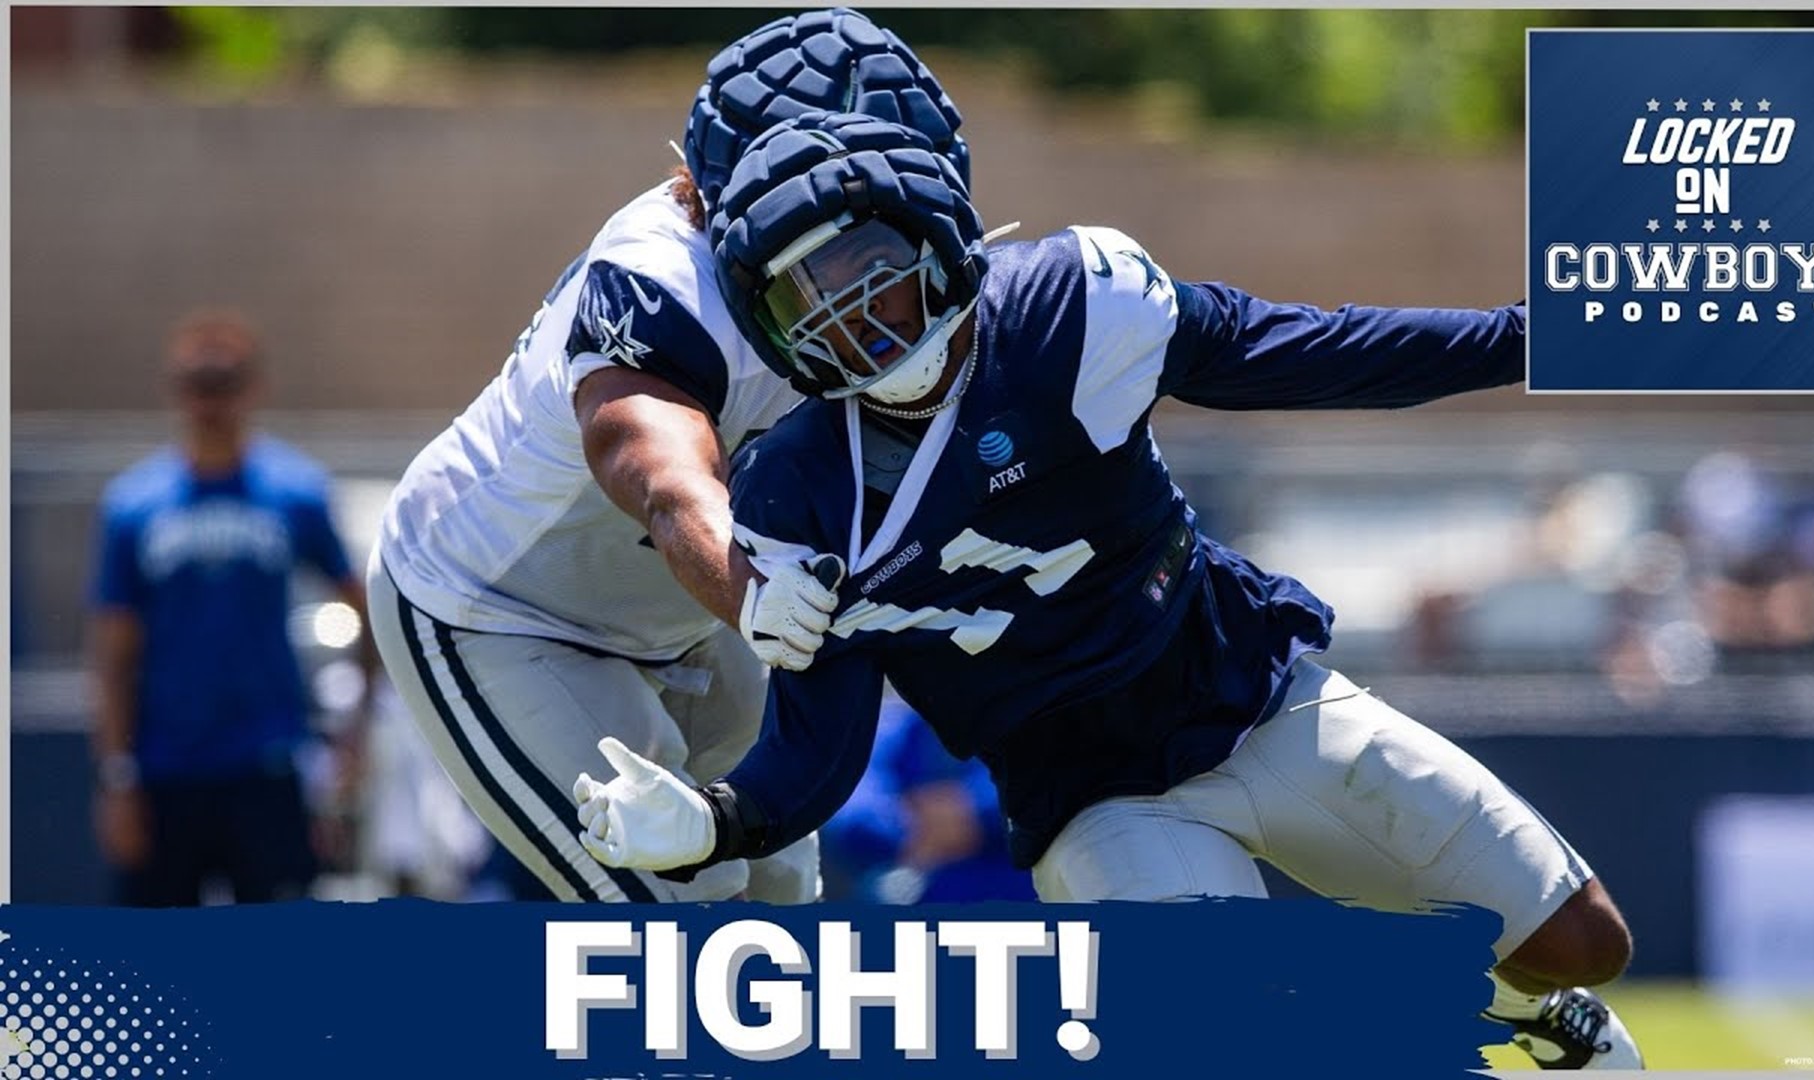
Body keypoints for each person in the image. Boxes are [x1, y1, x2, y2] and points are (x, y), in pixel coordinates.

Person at [572, 113, 1645, 1068]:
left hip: (1250, 696)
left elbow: (1311, 352)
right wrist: (717, 822)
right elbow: (819, 748)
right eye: (808, 292)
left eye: (863, 264)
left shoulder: (1068, 310)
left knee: (1584, 943)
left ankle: (1526, 1011)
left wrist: (1525, 335)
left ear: (936, 233)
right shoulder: (799, 492)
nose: (850, 312)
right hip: (1094, 802)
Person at [364, 9, 970, 903]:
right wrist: (756, 592)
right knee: (679, 917)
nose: (887, 240)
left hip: (686, 616)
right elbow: (661, 477)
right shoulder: (662, 285)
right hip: (501, 613)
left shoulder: (911, 268)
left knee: (780, 902)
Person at [90, 309, 376, 906]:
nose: (211, 402)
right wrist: (117, 778)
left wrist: (354, 734)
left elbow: (368, 607)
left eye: (225, 384)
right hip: (166, 765)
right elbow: (114, 653)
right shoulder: (133, 505)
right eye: (198, 385)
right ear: (176, 391)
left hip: (266, 762)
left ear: (254, 388)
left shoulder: (294, 491)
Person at [820, 695, 1036, 903]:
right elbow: (843, 805)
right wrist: (908, 826)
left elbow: (1045, 780)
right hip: (914, 917)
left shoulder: (1034, 720)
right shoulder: (892, 729)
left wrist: (974, 812)